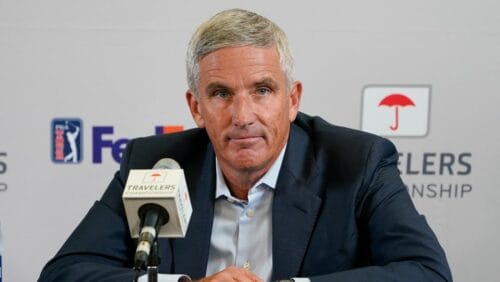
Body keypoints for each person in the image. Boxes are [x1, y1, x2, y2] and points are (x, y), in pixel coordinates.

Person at [39, 9, 452, 282]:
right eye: (220, 94)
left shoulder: (357, 163)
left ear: (292, 100)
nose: (242, 115)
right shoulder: (156, 164)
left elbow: (427, 273)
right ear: (196, 108)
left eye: (262, 90)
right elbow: (65, 272)